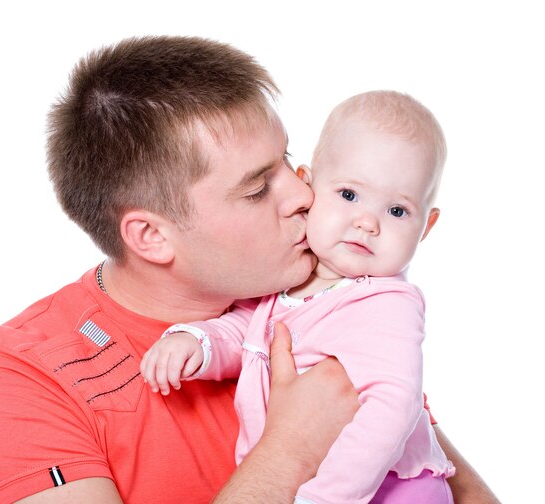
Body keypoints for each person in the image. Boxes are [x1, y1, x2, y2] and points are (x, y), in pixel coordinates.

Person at [0, 36, 498, 503]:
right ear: (152, 237)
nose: (304, 195)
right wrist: (290, 450)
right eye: (258, 187)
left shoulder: (336, 301)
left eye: (289, 162)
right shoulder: (17, 384)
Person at [141, 90, 457, 503]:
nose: (367, 223)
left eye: (397, 211)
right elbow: (249, 332)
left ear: (426, 227)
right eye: (348, 195)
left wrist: (325, 496)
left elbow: (392, 406)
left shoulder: (386, 304)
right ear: (310, 187)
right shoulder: (289, 280)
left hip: (393, 489)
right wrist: (197, 342)